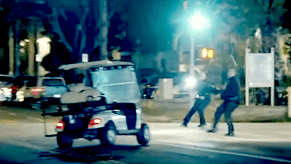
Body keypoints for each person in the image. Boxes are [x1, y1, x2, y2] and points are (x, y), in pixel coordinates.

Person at [207, 68, 240, 136]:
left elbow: (231, 92)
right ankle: (214, 127)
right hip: (228, 100)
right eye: (229, 72)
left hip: (233, 101)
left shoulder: (234, 81)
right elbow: (226, 90)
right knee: (218, 111)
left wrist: (221, 95)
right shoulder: (230, 81)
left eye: (231, 72)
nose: (229, 73)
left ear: (234, 73)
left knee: (227, 115)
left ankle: (231, 131)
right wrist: (219, 92)